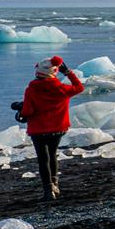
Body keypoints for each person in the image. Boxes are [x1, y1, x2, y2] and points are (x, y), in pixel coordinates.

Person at [19, 57, 83, 200]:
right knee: (52, 155)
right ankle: (55, 185)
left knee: (43, 159)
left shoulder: (31, 89)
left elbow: (28, 111)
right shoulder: (62, 89)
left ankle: (48, 191)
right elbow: (79, 87)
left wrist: (20, 110)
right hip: (58, 129)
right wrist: (68, 73)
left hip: (38, 130)